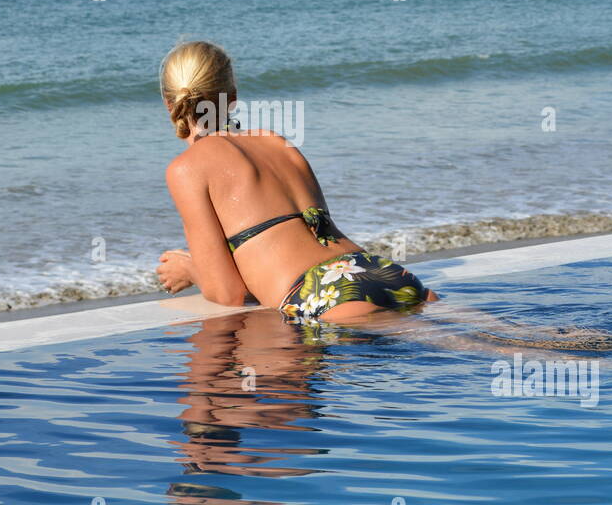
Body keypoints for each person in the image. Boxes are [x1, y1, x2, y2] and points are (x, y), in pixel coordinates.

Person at [154, 40, 435, 324]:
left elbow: (228, 294)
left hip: (326, 294)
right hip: (382, 272)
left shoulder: (186, 169)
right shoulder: (274, 140)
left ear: (169, 103)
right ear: (233, 97)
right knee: (476, 344)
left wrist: (191, 270)